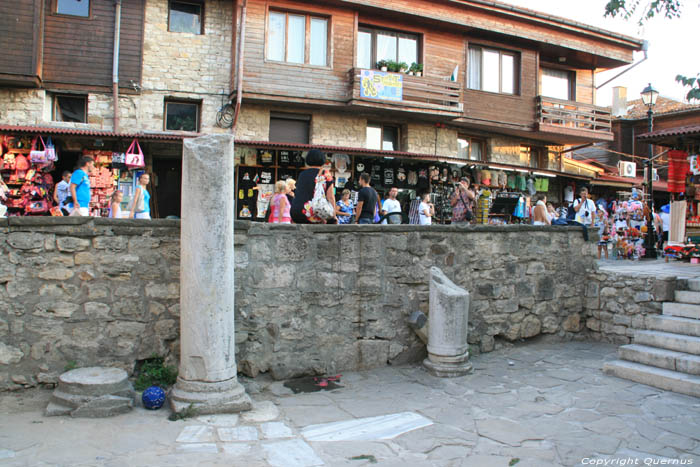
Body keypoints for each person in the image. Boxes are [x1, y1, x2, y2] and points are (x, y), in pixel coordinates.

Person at [290, 149, 336, 224]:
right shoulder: (325, 174)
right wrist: (333, 216)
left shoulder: (302, 174)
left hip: (296, 213)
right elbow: (330, 197)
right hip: (311, 212)